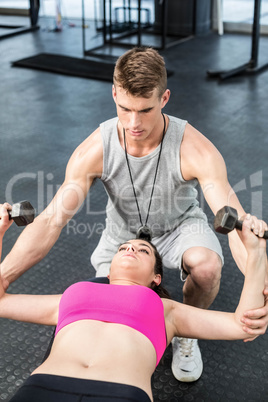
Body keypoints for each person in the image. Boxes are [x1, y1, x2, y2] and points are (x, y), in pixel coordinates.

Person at [1, 47, 268, 382]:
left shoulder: (195, 149)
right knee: (104, 302)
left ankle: (187, 333)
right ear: (114, 93)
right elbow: (54, 219)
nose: (133, 122)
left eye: (145, 110)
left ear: (165, 97)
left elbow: (236, 221)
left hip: (180, 225)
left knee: (207, 265)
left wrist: (261, 281)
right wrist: (4, 277)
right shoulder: (94, 150)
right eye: (124, 108)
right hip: (122, 233)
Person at [0, 203, 267, 402]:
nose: (130, 249)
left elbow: (241, 324)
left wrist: (256, 252)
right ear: (109, 269)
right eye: (123, 248)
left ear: (156, 277)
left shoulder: (167, 309)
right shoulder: (73, 294)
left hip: (120, 393)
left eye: (143, 250)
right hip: (43, 389)